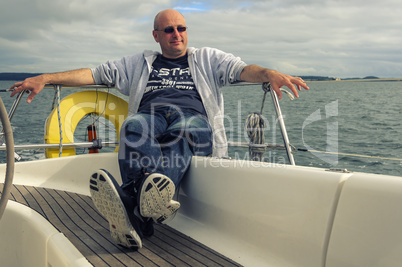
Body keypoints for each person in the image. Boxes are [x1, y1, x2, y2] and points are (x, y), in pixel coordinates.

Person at [10, 9, 309, 250]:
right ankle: (141, 214)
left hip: (192, 119)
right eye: (168, 29)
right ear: (156, 35)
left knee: (185, 131)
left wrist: (269, 73)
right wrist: (47, 77)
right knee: (134, 125)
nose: (176, 34)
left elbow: (242, 70)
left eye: (181, 28)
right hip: (151, 117)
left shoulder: (207, 58)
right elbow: (94, 73)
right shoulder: (138, 63)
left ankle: (132, 201)